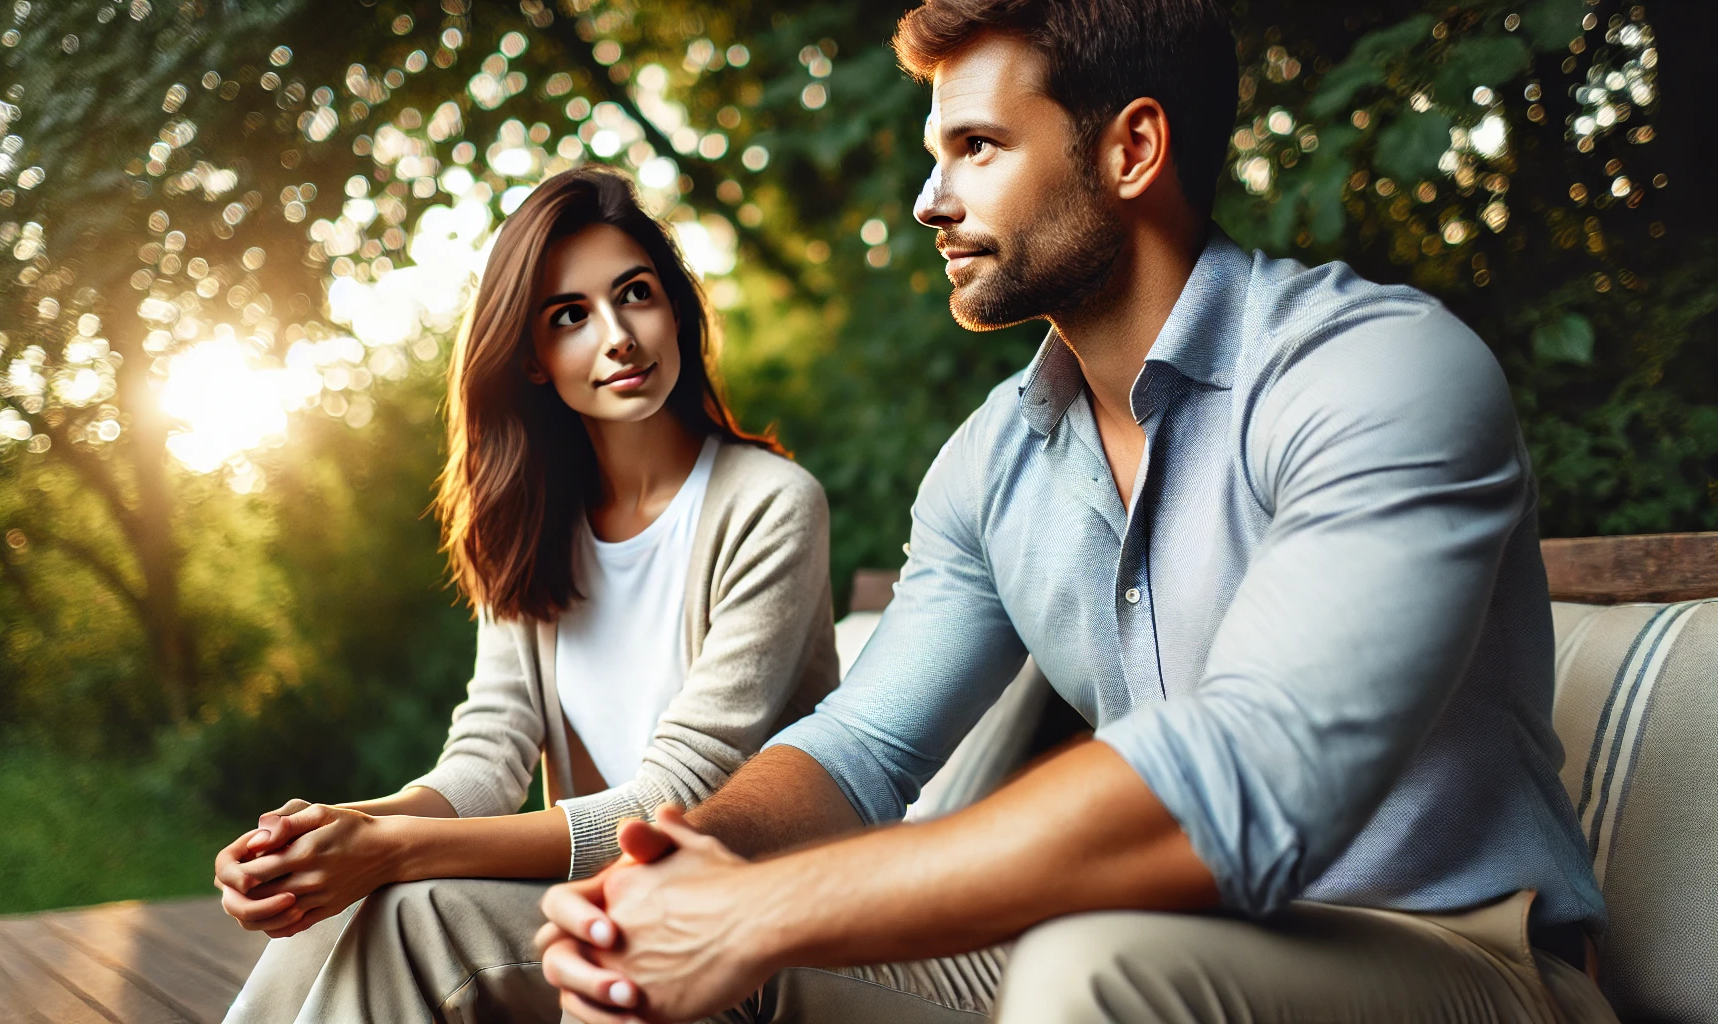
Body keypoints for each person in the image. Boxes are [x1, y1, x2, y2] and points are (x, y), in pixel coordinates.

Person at [532, 2, 1622, 1022]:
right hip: (1159, 940)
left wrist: (762, 909)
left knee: (1087, 962)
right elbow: (861, 747)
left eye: (977, 148)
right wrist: (671, 873)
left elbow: (1252, 766)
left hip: (1463, 954)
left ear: (1132, 150)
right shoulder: (992, 461)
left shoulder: (1375, 368)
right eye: (933, 155)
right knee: (670, 975)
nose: (930, 201)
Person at [211, 166, 839, 1023]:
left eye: (636, 295)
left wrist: (393, 850)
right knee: (357, 899)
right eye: (570, 317)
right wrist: (325, 835)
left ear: (677, 311)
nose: (617, 337)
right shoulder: (534, 521)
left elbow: (675, 797)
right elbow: (488, 754)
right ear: (535, 361)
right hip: (599, 916)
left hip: (740, 934)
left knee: (416, 905)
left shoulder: (769, 505)